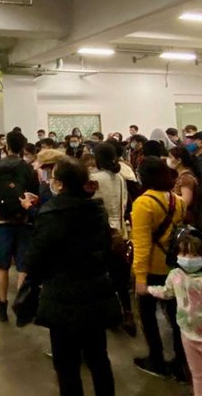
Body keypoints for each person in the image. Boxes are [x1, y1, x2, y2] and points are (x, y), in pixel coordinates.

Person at [25, 157, 121, 396]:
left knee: (66, 365)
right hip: (96, 292)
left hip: (61, 296)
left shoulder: (51, 214)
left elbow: (35, 259)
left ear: (59, 183)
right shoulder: (96, 210)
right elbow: (107, 248)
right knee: (99, 359)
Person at [147, 235, 202, 396]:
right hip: (187, 335)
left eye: (193, 254)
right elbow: (167, 292)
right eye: (183, 253)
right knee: (197, 375)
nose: (187, 258)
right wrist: (150, 290)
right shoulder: (175, 275)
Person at [131, 156, 188, 380]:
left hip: (152, 269)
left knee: (148, 317)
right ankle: (181, 363)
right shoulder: (178, 200)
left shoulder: (143, 203)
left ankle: (156, 360)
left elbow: (142, 244)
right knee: (176, 317)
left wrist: (139, 277)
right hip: (174, 266)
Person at [0, 130, 39, 322]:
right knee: (23, 267)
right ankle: (21, 307)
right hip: (23, 220)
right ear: (23, 147)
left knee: (3, 266)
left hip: (2, 222)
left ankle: (2, 306)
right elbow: (34, 195)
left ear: (6, 146)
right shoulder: (28, 169)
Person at [91, 143, 136, 337]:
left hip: (101, 233)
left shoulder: (94, 179)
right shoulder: (120, 178)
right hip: (120, 232)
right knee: (120, 277)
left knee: (102, 276)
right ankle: (128, 313)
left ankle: (109, 315)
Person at [167, 146, 201, 226]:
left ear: (179, 160)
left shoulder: (186, 178)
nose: (168, 159)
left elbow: (186, 201)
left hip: (184, 220)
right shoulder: (181, 176)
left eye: (170, 157)